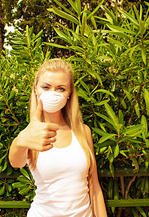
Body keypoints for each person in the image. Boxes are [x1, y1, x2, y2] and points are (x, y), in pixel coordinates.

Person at [9, 58, 107, 217]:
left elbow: (94, 187)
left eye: (60, 88)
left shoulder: (83, 132)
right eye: (46, 87)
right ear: (36, 89)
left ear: (69, 93)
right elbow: (16, 162)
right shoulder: (30, 135)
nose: (52, 93)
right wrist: (21, 139)